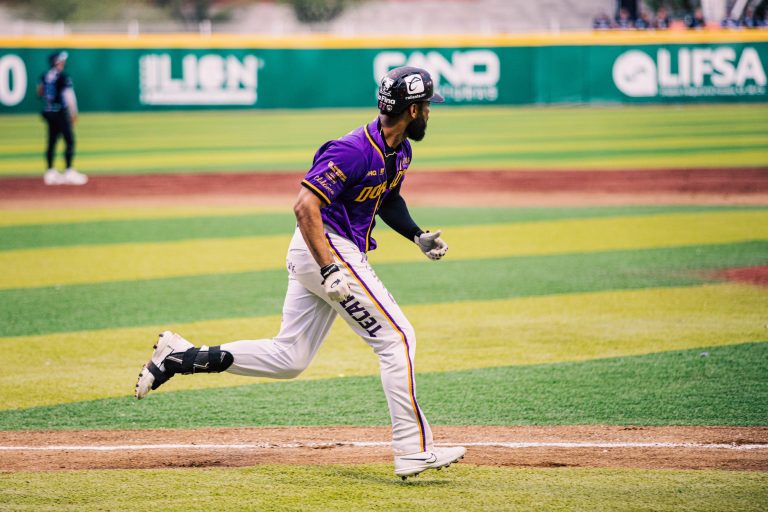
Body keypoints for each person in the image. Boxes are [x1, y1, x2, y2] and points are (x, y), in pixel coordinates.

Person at [134, 66, 466, 480]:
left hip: (322, 251)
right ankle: (412, 450)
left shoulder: (399, 152)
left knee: (289, 357)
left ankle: (180, 357)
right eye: (428, 106)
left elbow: (388, 198)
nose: (431, 112)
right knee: (397, 339)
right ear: (413, 110)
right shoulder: (352, 150)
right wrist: (329, 269)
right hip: (327, 248)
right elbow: (304, 206)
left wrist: (416, 235)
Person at [37, 51, 87, 185]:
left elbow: (40, 91)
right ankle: (69, 171)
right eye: (61, 60)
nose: (64, 62)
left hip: (49, 112)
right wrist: (73, 113)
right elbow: (69, 96)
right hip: (60, 112)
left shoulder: (45, 76)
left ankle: (50, 172)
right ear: (57, 62)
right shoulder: (63, 77)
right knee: (69, 140)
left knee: (51, 142)